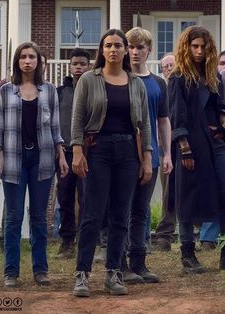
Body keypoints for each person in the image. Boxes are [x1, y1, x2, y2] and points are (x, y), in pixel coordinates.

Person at [71, 28, 152, 297]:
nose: (114, 49)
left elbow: (145, 124)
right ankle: (82, 274)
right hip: (98, 150)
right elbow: (78, 118)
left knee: (121, 215)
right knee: (92, 215)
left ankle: (113, 272)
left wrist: (147, 157)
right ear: (102, 50)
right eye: (109, 45)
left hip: (129, 151)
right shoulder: (88, 80)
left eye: (119, 45)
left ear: (126, 50)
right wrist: (77, 151)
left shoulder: (135, 83)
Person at [0, 41, 68, 287]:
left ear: (38, 61)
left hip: (43, 159)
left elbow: (56, 128)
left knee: (38, 217)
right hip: (13, 160)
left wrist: (62, 155)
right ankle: (10, 272)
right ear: (17, 61)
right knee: (13, 217)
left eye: (32, 57)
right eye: (23, 56)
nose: (27, 61)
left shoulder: (49, 91)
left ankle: (40, 270)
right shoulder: (6, 91)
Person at [168, 26, 225, 274]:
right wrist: (185, 148)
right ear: (187, 47)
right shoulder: (178, 77)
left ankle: (223, 248)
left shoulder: (215, 77)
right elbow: (176, 115)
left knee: (223, 192)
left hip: (215, 142)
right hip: (190, 143)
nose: (200, 51)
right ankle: (187, 255)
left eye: (203, 46)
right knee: (187, 197)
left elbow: (221, 106)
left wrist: (221, 125)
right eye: (195, 46)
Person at [122, 27, 172, 284]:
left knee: (140, 211)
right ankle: (119, 264)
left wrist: (167, 154)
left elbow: (163, 120)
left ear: (148, 50)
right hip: (123, 156)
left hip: (150, 156)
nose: (134, 52)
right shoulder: (119, 79)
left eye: (140, 47)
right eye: (130, 47)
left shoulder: (158, 83)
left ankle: (139, 263)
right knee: (121, 210)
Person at [55, 48, 90, 259]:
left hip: (89, 153)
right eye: (75, 63)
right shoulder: (60, 92)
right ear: (70, 66)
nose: (78, 67)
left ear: (89, 66)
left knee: (87, 198)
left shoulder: (93, 89)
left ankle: (86, 241)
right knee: (65, 197)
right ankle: (67, 241)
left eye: (83, 64)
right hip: (65, 154)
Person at [199, 50, 225, 250]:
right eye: (222, 63)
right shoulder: (214, 83)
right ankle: (209, 237)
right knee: (214, 186)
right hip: (216, 143)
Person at [152, 52, 177, 251]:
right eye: (164, 66)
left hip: (186, 146)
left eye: (171, 65)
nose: (168, 69)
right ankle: (164, 235)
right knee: (168, 191)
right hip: (163, 148)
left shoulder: (183, 86)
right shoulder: (160, 89)